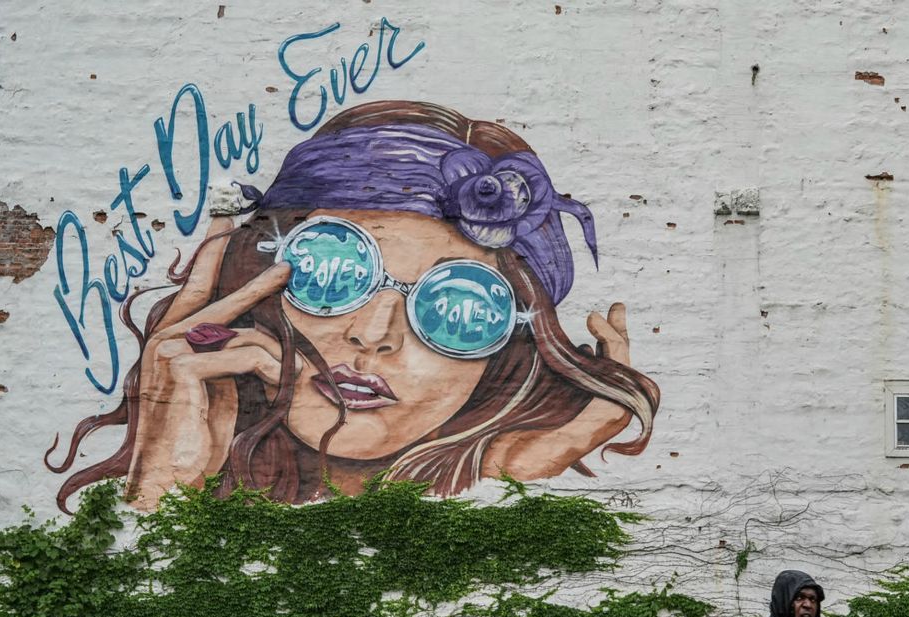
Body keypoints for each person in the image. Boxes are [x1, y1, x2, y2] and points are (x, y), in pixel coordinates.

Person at [44, 100, 660, 512]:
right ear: (256, 285)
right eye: (333, 271)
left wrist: (511, 480)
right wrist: (163, 482)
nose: (374, 335)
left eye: (459, 307)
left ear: (507, 356)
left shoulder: (515, 494)